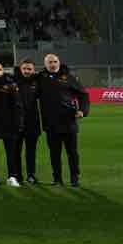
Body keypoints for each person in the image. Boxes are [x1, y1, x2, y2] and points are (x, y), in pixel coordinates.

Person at [37, 53, 89, 187]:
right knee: (54, 154)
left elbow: (83, 95)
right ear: (45, 64)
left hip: (69, 122)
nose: (53, 64)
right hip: (50, 123)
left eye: (55, 61)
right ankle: (57, 179)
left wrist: (83, 110)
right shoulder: (40, 78)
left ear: (59, 62)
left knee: (72, 153)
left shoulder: (69, 77)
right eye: (50, 62)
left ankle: (74, 178)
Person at [0, 62, 24, 187]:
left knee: (11, 153)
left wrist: (18, 123)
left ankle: (12, 177)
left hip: (9, 124)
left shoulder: (10, 84)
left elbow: (17, 105)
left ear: (2, 70)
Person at [15, 58, 42, 183]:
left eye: (29, 69)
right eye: (24, 68)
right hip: (16, 123)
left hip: (32, 122)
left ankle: (31, 175)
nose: (27, 71)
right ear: (20, 69)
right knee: (16, 151)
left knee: (31, 151)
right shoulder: (13, 81)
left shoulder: (38, 82)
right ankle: (18, 176)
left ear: (33, 70)